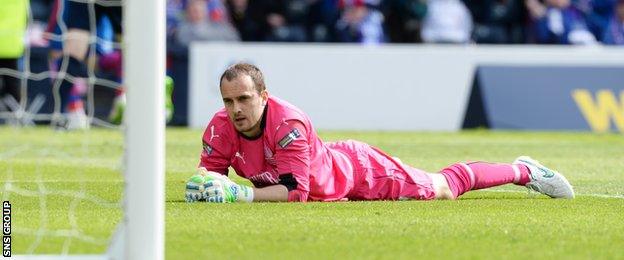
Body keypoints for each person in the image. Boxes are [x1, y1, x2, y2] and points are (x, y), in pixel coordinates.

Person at [185, 63, 575, 203]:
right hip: (326, 169)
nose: (235, 109)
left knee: (440, 187)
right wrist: (205, 186)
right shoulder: (221, 128)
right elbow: (212, 175)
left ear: (264, 96)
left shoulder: (287, 124)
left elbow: (294, 192)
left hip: (357, 171)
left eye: (244, 99)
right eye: (228, 101)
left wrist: (241, 194)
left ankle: (523, 171)